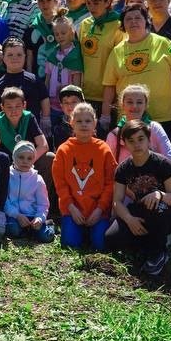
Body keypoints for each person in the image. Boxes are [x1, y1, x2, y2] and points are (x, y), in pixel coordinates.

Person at [106, 120, 171, 276]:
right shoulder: (123, 168)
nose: (137, 144)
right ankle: (145, 244)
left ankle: (158, 253)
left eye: (141, 139)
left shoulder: (162, 163)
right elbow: (117, 201)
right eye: (131, 141)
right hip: (140, 210)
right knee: (111, 238)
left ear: (149, 139)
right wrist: (129, 219)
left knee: (158, 210)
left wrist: (160, 194)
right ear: (125, 144)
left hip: (165, 211)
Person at [100, 4, 171, 143]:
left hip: (163, 116)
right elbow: (109, 85)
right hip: (129, 117)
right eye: (128, 19)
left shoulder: (164, 43)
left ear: (146, 20)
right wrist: (105, 114)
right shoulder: (117, 51)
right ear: (123, 24)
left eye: (137, 18)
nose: (133, 22)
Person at [53, 102, 116, 251]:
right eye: (79, 121)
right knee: (70, 245)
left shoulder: (103, 149)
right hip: (73, 209)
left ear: (95, 123)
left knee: (101, 245)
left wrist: (100, 209)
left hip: (98, 211)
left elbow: (110, 182)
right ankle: (79, 230)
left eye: (88, 121)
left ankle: (92, 231)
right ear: (71, 123)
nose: (83, 125)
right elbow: (60, 184)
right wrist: (71, 208)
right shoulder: (63, 150)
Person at [77, 0, 125, 132]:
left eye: (97, 3)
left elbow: (119, 62)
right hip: (86, 92)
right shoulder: (85, 24)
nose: (92, 7)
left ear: (108, 2)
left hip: (108, 96)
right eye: (89, 3)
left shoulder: (119, 25)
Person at [104, 84, 171, 165]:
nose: (135, 106)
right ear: (122, 105)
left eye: (139, 102)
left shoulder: (154, 128)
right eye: (130, 102)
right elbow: (106, 166)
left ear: (146, 105)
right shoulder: (114, 135)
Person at [0, 37, 51, 129]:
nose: (15, 58)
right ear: (3, 58)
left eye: (19, 54)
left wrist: (46, 118)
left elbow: (44, 99)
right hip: (8, 133)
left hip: (33, 130)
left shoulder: (34, 80)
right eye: (10, 55)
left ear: (25, 56)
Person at [5, 140, 55, 243]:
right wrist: (17, 215)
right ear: (14, 157)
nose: (25, 161)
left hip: (32, 215)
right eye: (21, 157)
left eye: (29, 158)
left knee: (46, 237)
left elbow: (43, 204)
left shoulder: (37, 179)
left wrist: (39, 218)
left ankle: (48, 224)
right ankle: (27, 232)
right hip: (14, 215)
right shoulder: (7, 176)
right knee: (13, 229)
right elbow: (5, 200)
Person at [36, 15, 83, 111]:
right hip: (53, 102)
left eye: (63, 33)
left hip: (70, 103)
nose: (60, 36)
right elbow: (47, 79)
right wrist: (45, 99)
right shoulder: (53, 55)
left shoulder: (75, 55)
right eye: (56, 34)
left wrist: (76, 101)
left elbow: (77, 83)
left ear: (71, 32)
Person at [24, 0, 61, 72]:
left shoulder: (63, 25)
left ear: (55, 2)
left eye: (49, 0)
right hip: (37, 75)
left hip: (59, 72)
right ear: (37, 3)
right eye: (41, 1)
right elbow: (29, 53)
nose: (45, 4)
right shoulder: (33, 27)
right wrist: (29, 73)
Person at [49, 85, 84, 154]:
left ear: (82, 103)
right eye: (66, 102)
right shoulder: (56, 126)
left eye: (74, 102)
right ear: (61, 106)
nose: (70, 106)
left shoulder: (90, 124)